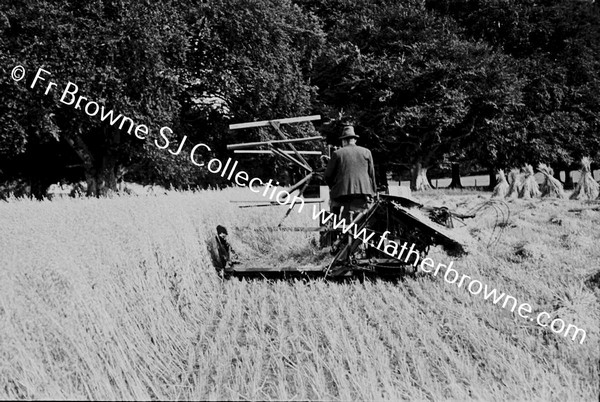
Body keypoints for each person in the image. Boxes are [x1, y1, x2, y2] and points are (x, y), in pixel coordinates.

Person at [324, 125, 377, 221]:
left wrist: (333, 186)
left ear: (343, 141)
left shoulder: (337, 153)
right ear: (354, 140)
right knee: (363, 219)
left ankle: (335, 228)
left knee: (334, 209)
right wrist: (373, 193)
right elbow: (371, 175)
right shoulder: (366, 152)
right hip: (363, 193)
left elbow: (328, 176)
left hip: (341, 194)